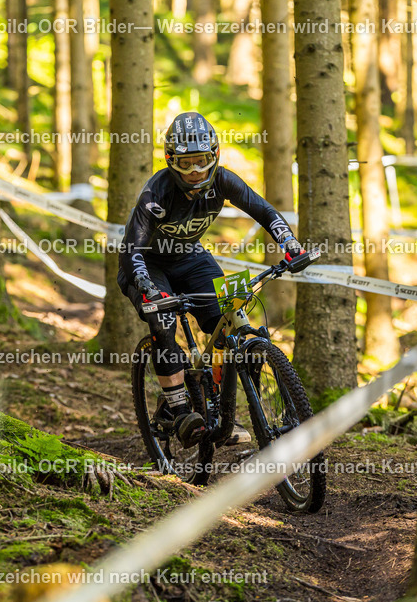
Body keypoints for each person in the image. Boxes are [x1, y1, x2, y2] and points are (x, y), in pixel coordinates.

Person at [117, 112, 306, 447]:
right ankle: (178, 408)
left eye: (202, 161)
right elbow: (132, 247)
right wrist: (145, 286)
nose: (195, 172)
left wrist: (289, 244)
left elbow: (265, 211)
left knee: (230, 320)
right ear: (171, 161)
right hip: (146, 263)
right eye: (187, 164)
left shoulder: (223, 181)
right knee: (162, 322)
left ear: (214, 156)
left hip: (191, 257)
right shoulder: (156, 192)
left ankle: (219, 406)